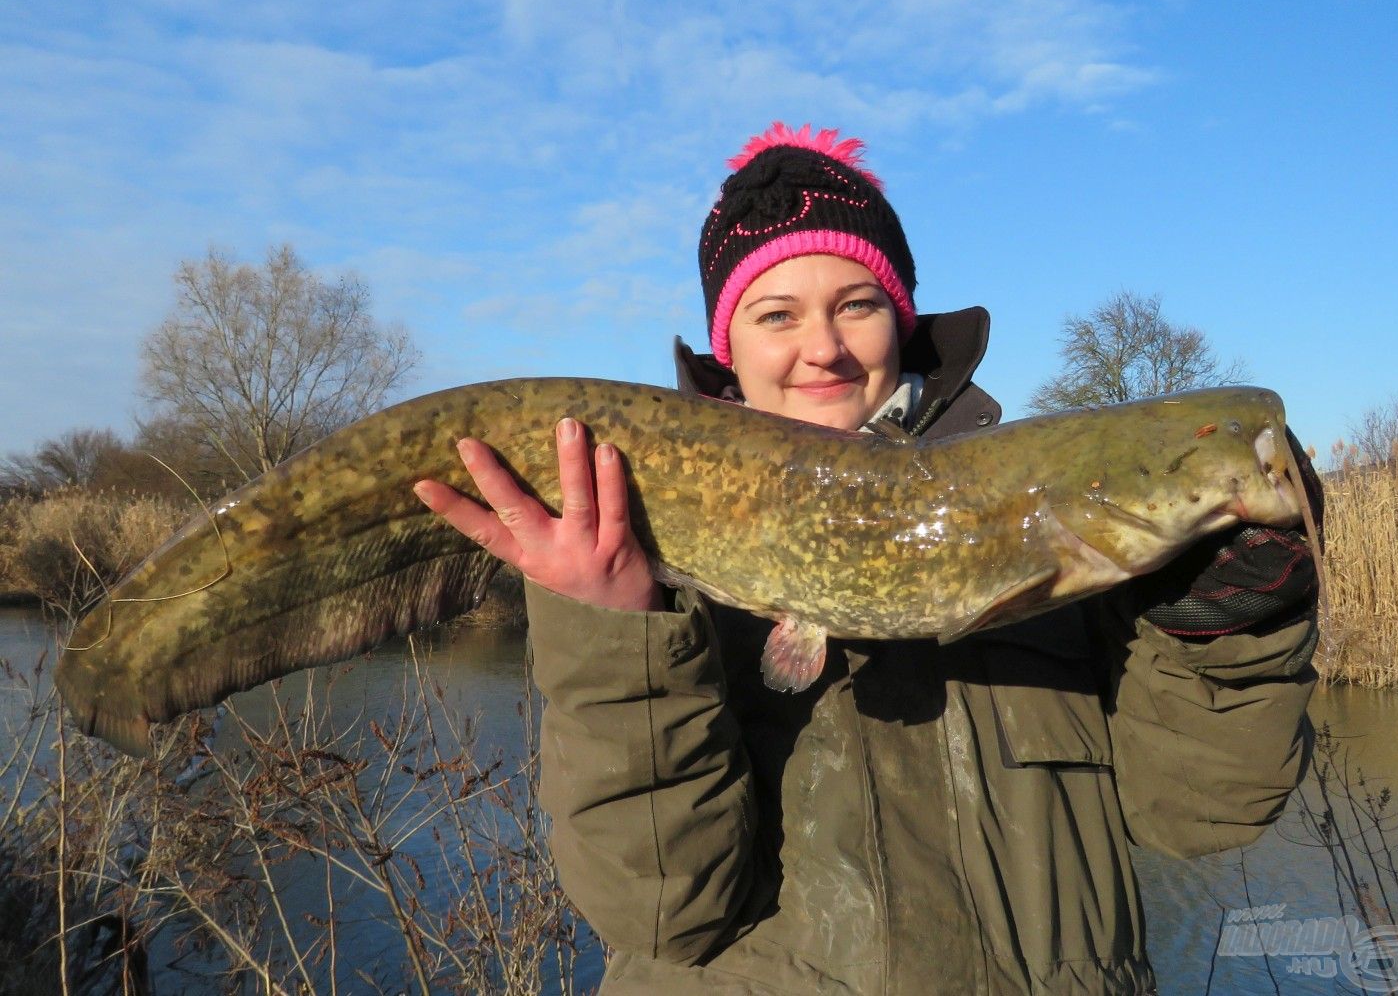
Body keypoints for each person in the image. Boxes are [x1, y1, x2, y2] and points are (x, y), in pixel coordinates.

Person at [413, 123, 1321, 995]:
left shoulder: (1064, 536)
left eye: (858, 305)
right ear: (729, 344)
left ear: (902, 318)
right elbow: (662, 912)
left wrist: (1232, 629)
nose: (825, 348)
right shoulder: (640, 552)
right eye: (778, 314)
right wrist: (617, 633)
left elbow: (1204, 814)